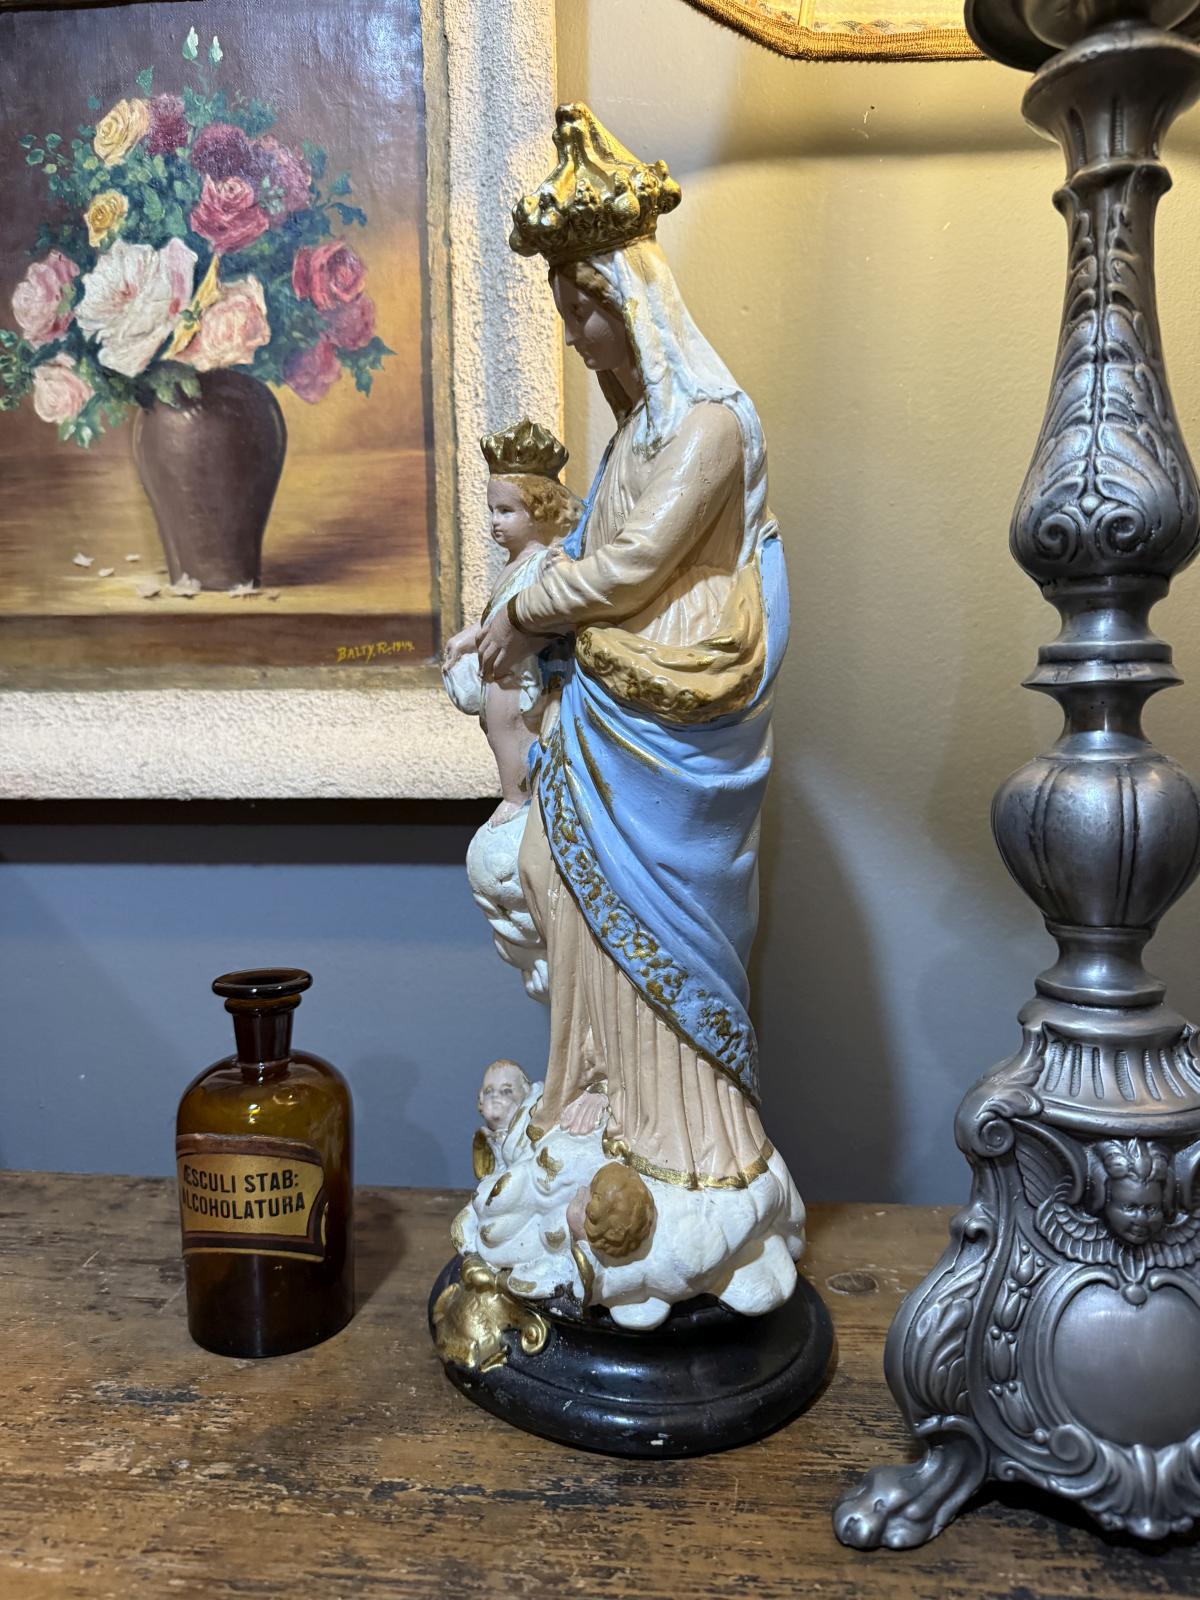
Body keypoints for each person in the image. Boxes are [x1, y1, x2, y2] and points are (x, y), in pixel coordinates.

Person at [461, 105, 806, 1328]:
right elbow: (598, 559)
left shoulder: (708, 424)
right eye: (562, 309)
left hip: (675, 729)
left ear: (631, 299)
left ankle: (688, 1152)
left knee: (655, 928)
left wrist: (524, 610)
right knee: (557, 880)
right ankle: (591, 1101)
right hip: (607, 711)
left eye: (585, 308)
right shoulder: (633, 432)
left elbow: (633, 569)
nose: (575, 332)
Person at [443, 420, 581, 826]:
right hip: (501, 676)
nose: (495, 522)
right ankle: (516, 797)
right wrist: (469, 637)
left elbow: (552, 614)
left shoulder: (544, 563)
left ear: (539, 510)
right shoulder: (513, 564)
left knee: (513, 735)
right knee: (499, 734)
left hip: (524, 681)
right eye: (492, 511)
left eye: (506, 511)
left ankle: (518, 799)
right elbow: (497, 617)